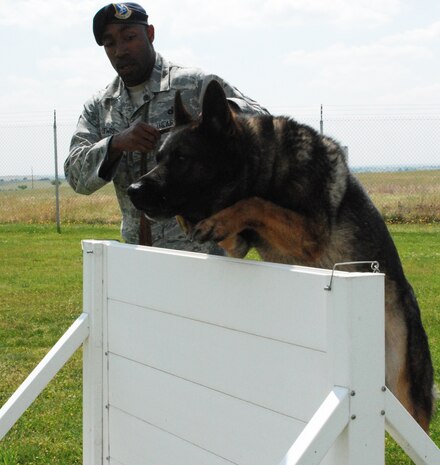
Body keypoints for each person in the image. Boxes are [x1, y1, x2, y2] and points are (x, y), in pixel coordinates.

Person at [65, 2, 268, 252]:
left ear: (150, 34)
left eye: (129, 37)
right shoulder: (100, 107)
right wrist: (115, 144)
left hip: (201, 254)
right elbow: (76, 176)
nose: (120, 50)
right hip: (137, 256)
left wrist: (224, 117)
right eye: (110, 44)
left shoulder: (192, 84)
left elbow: (262, 120)